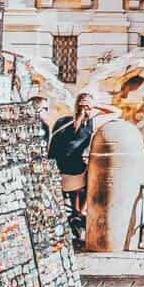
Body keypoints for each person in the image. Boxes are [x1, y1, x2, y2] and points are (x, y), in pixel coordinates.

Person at [48, 92, 120, 241]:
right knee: (94, 176)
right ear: (89, 107)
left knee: (80, 172)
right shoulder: (90, 124)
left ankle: (75, 211)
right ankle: (81, 212)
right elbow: (118, 112)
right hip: (73, 177)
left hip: (56, 174)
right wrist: (96, 105)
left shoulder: (61, 121)